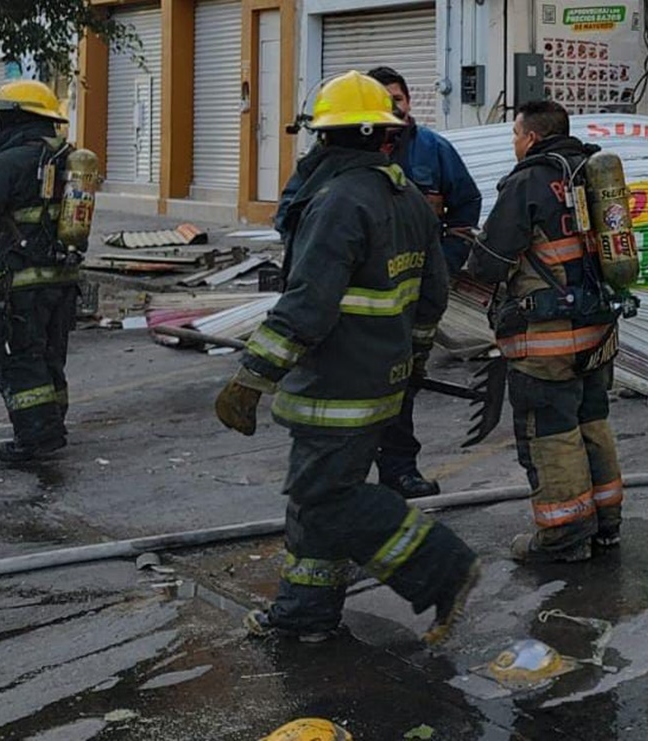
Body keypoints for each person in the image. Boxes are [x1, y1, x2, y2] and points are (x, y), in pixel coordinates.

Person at [215, 71, 480, 645]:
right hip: (380, 382)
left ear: (329, 140)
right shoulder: (407, 197)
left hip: (336, 386)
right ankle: (304, 612)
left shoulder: (337, 201)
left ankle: (443, 568)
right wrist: (412, 364)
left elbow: (307, 305)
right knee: (316, 503)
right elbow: (433, 295)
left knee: (325, 498)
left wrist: (252, 378)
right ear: (384, 138)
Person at [274, 66, 482, 500]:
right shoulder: (324, 176)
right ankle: (347, 490)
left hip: (398, 306)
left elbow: (464, 206)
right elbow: (291, 218)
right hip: (344, 319)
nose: (396, 109)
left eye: (399, 99)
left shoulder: (432, 152)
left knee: (396, 396)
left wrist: (441, 262)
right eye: (387, 101)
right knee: (345, 411)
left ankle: (396, 474)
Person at [468, 100, 625, 564]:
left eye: (515, 134)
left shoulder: (526, 182)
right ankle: (606, 525)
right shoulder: (591, 173)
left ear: (531, 137)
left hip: (547, 340)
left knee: (550, 433)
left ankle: (563, 537)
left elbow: (489, 263)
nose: (514, 143)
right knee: (592, 423)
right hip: (597, 334)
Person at [0, 80, 77, 464]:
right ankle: (53, 423)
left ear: (17, 118)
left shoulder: (10, 161)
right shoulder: (66, 157)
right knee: (49, 354)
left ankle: (37, 437)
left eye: (2, 116)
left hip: (17, 281)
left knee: (15, 355)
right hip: (62, 277)